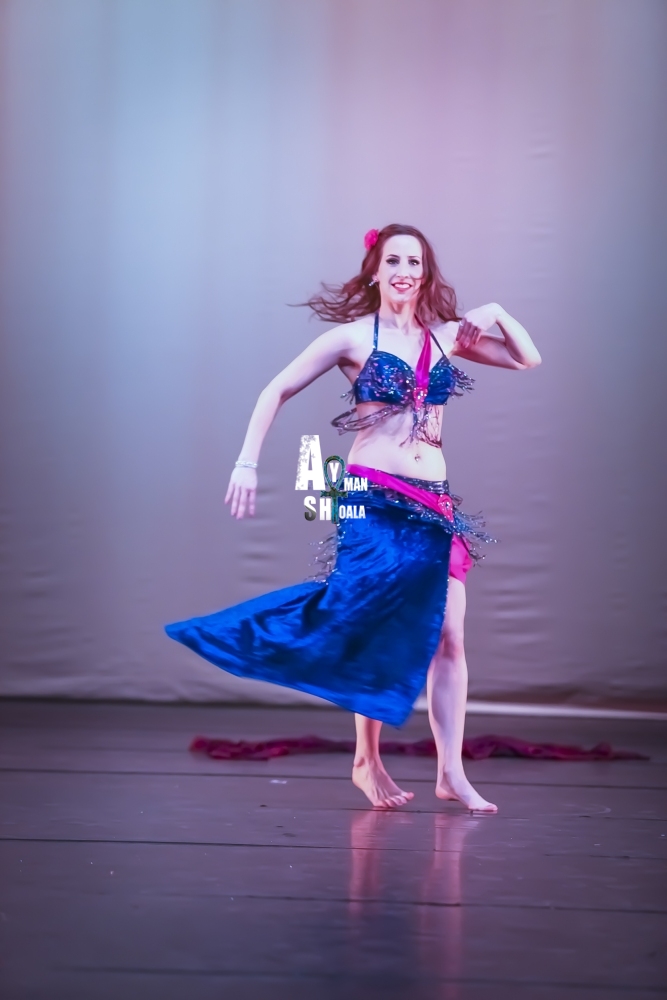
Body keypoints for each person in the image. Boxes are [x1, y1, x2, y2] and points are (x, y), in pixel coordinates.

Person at [166, 224, 541, 813]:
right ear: (375, 271)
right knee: (373, 619)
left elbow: (526, 359)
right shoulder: (351, 338)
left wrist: (494, 311)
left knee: (451, 635)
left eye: (414, 262)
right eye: (393, 260)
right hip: (374, 495)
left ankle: (451, 773)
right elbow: (275, 390)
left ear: (425, 273)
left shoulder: (446, 336)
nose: (404, 271)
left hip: (434, 502)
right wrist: (246, 463)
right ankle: (366, 760)